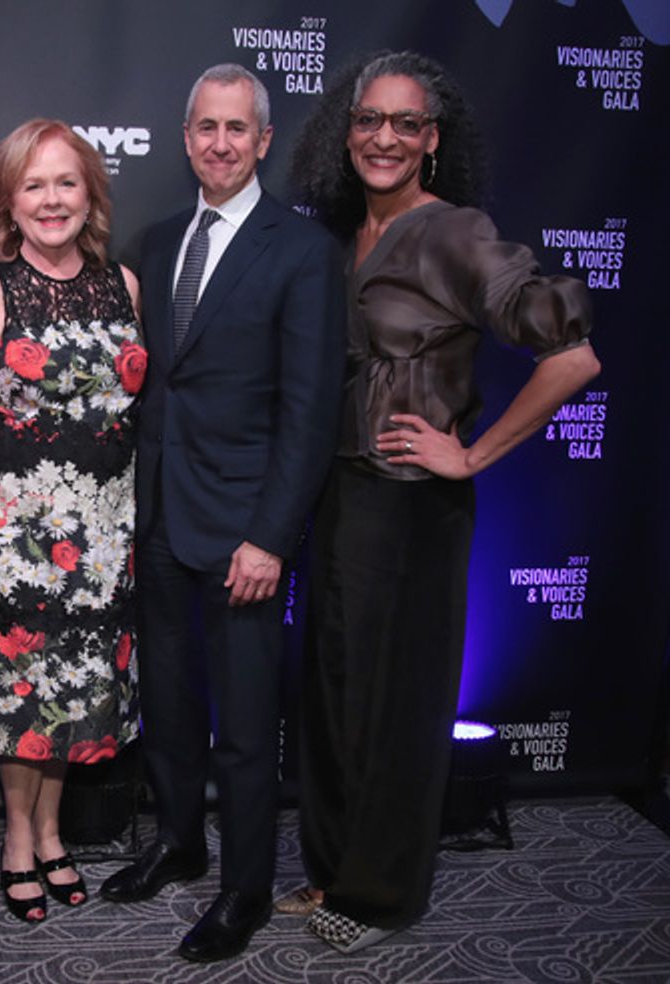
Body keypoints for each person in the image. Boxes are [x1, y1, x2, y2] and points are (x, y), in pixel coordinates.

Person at [286, 50, 600, 954]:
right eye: (367, 120)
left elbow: (572, 357)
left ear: (431, 140)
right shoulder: (349, 235)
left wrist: (471, 455)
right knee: (336, 695)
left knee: (397, 704)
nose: (383, 137)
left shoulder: (456, 231)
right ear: (344, 135)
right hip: (340, 496)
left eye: (404, 123)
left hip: (414, 507)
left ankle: (380, 895)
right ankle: (332, 869)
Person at [99, 64, 347, 963]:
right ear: (187, 135)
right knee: (167, 704)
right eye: (205, 126)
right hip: (159, 521)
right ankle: (177, 840)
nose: (219, 142)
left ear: (265, 141)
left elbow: (310, 412)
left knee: (244, 729)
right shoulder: (159, 241)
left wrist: (272, 537)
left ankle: (243, 889)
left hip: (245, 532)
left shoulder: (305, 251)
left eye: (236, 129)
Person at [0, 119, 144, 924]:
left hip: (102, 540)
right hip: (16, 541)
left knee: (71, 700)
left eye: (66, 182)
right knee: (21, 702)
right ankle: (17, 841)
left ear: (89, 192)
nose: (51, 200)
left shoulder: (122, 286)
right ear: (8, 202)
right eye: (33, 185)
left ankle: (54, 831)